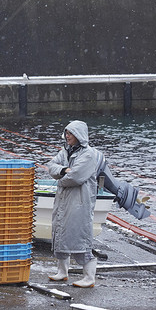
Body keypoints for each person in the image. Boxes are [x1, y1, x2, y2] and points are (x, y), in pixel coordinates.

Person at [46, 120, 98, 288]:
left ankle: (89, 277)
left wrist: (60, 179)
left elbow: (76, 177)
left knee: (80, 236)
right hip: (63, 200)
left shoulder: (89, 154)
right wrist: (62, 170)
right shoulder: (65, 151)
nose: (67, 136)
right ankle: (62, 271)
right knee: (60, 232)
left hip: (79, 202)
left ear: (78, 135)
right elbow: (51, 165)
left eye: (70, 133)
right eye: (66, 133)